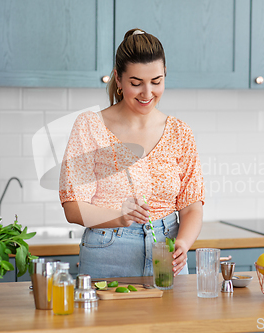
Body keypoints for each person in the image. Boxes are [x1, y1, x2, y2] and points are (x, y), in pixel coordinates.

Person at [59, 28, 204, 278]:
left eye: (156, 82)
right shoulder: (90, 126)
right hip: (108, 251)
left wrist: (183, 243)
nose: (147, 94)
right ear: (118, 78)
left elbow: (191, 206)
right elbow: (73, 208)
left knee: (174, 319)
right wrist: (119, 216)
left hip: (167, 252)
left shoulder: (180, 132)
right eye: (136, 83)